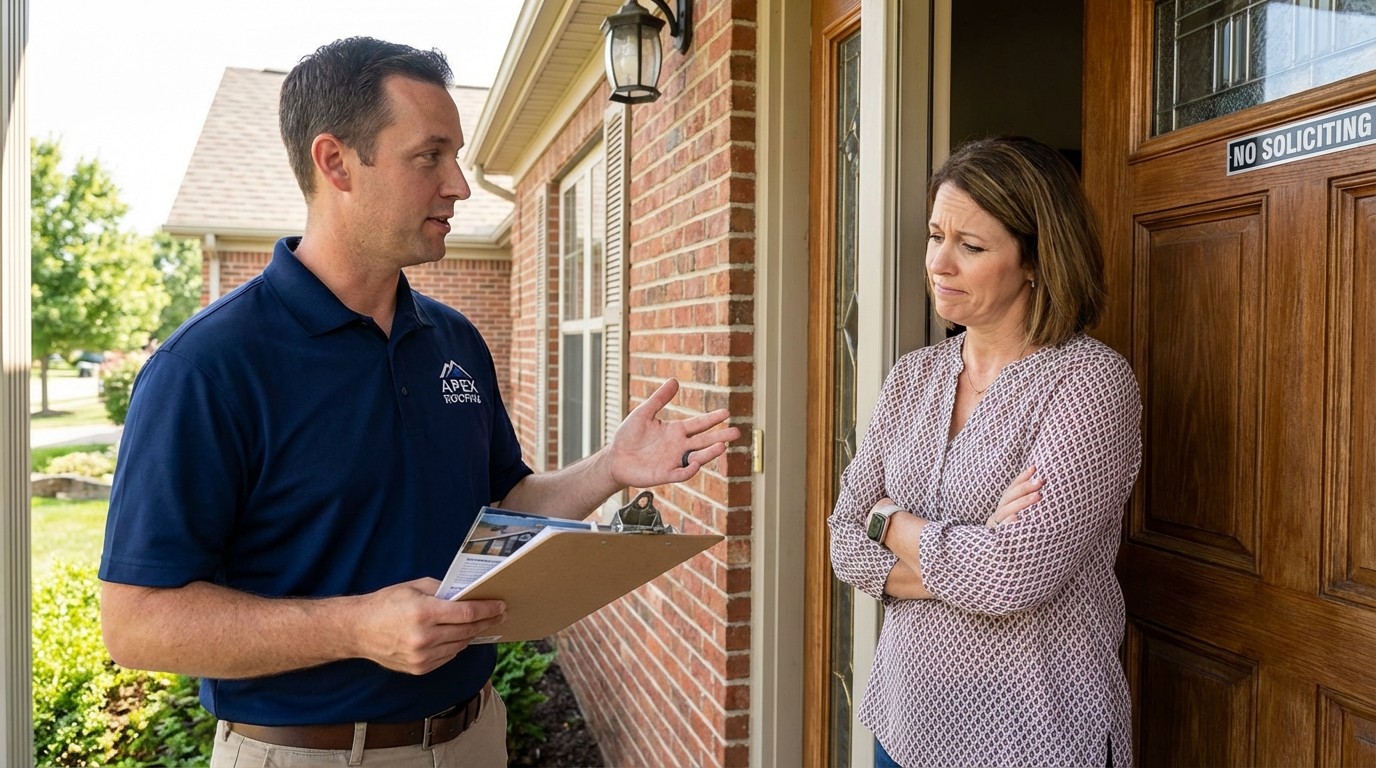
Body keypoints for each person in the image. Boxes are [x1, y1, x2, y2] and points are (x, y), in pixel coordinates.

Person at [98, 36, 739, 768]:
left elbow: (505, 507)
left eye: (456, 156)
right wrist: (355, 628)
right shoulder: (210, 366)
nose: (459, 185)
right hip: (309, 753)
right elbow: (136, 622)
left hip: (475, 736)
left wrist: (612, 469)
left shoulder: (453, 339)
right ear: (335, 162)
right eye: (428, 156)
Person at [828, 136, 1142, 768]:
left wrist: (888, 520)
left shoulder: (1089, 383)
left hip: (1037, 735)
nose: (940, 263)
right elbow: (842, 542)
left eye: (970, 247)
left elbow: (1013, 576)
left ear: (1035, 260)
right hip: (905, 724)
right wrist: (973, 549)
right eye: (935, 235)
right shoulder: (912, 377)